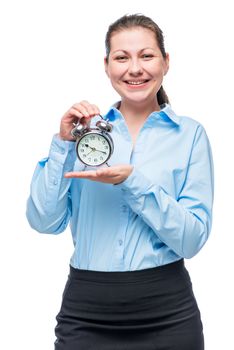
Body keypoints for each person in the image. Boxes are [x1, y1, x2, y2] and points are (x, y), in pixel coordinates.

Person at [26, 13, 214, 350]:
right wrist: (63, 144)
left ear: (166, 62)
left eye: (146, 55)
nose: (135, 69)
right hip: (86, 311)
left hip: (167, 312)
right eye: (122, 57)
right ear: (107, 65)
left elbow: (192, 240)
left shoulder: (190, 136)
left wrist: (133, 181)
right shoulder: (85, 135)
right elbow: (43, 220)